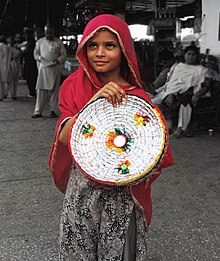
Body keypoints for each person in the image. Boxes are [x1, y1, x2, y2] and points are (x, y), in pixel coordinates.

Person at [48, 14, 173, 260]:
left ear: (124, 49)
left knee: (116, 253)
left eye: (110, 45)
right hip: (81, 190)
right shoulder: (74, 86)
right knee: (78, 251)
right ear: (84, 48)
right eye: (93, 45)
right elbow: (63, 137)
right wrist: (93, 105)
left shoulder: (138, 99)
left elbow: (154, 154)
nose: (100, 53)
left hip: (121, 196)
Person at [151, 45, 210, 137]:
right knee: (152, 103)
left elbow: (205, 85)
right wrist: (170, 93)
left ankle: (180, 129)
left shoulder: (201, 70)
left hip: (187, 93)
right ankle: (158, 126)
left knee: (185, 102)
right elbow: (171, 82)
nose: (191, 56)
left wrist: (197, 95)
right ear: (185, 55)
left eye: (193, 54)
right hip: (169, 92)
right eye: (189, 54)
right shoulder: (179, 66)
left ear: (197, 56)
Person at [32, 24, 66, 118]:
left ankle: (53, 110)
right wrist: (40, 58)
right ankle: (38, 111)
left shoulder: (58, 42)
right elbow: (36, 54)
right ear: (45, 32)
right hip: (43, 69)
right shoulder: (40, 42)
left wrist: (58, 60)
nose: (49, 35)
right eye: (47, 33)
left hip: (55, 69)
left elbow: (63, 55)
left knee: (54, 91)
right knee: (40, 90)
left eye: (50, 33)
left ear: (53, 33)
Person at [22, 28, 38, 98]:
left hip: (31, 63)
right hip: (30, 62)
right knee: (30, 78)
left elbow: (28, 52)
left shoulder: (31, 42)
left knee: (31, 78)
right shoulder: (30, 42)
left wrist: (23, 51)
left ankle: (32, 93)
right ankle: (32, 92)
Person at [0, 34, 12, 101]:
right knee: (5, 81)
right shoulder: (8, 47)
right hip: (7, 65)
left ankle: (1, 95)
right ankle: (5, 93)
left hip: (0, 64)